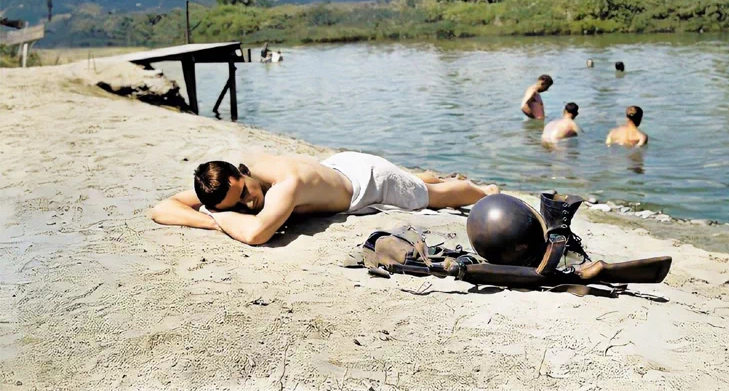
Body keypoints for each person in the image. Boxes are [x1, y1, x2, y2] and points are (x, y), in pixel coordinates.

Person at [149, 151, 500, 245]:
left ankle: (481, 189)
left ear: (240, 173)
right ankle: (421, 176)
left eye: (244, 194)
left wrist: (217, 217)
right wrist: (211, 216)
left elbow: (256, 234)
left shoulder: (286, 184)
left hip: (367, 182)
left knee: (431, 197)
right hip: (336, 169)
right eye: (236, 206)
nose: (248, 204)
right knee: (414, 183)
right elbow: (160, 208)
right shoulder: (231, 181)